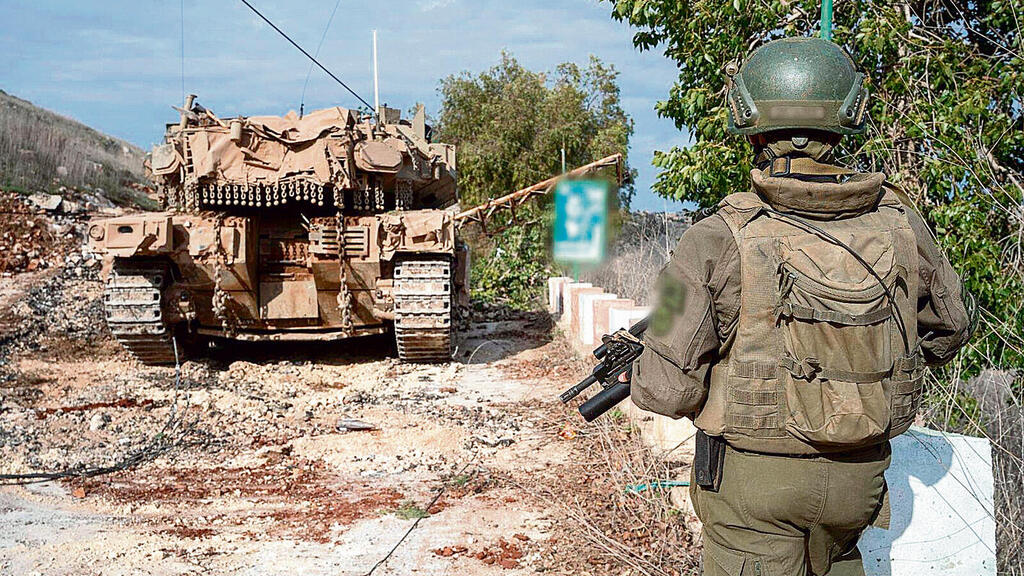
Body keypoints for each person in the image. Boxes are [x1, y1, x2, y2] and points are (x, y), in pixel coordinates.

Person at [627, 36, 974, 576]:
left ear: (753, 129)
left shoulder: (714, 236)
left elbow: (666, 389)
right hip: (859, 482)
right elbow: (951, 326)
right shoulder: (901, 223)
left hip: (754, 488)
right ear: (844, 122)